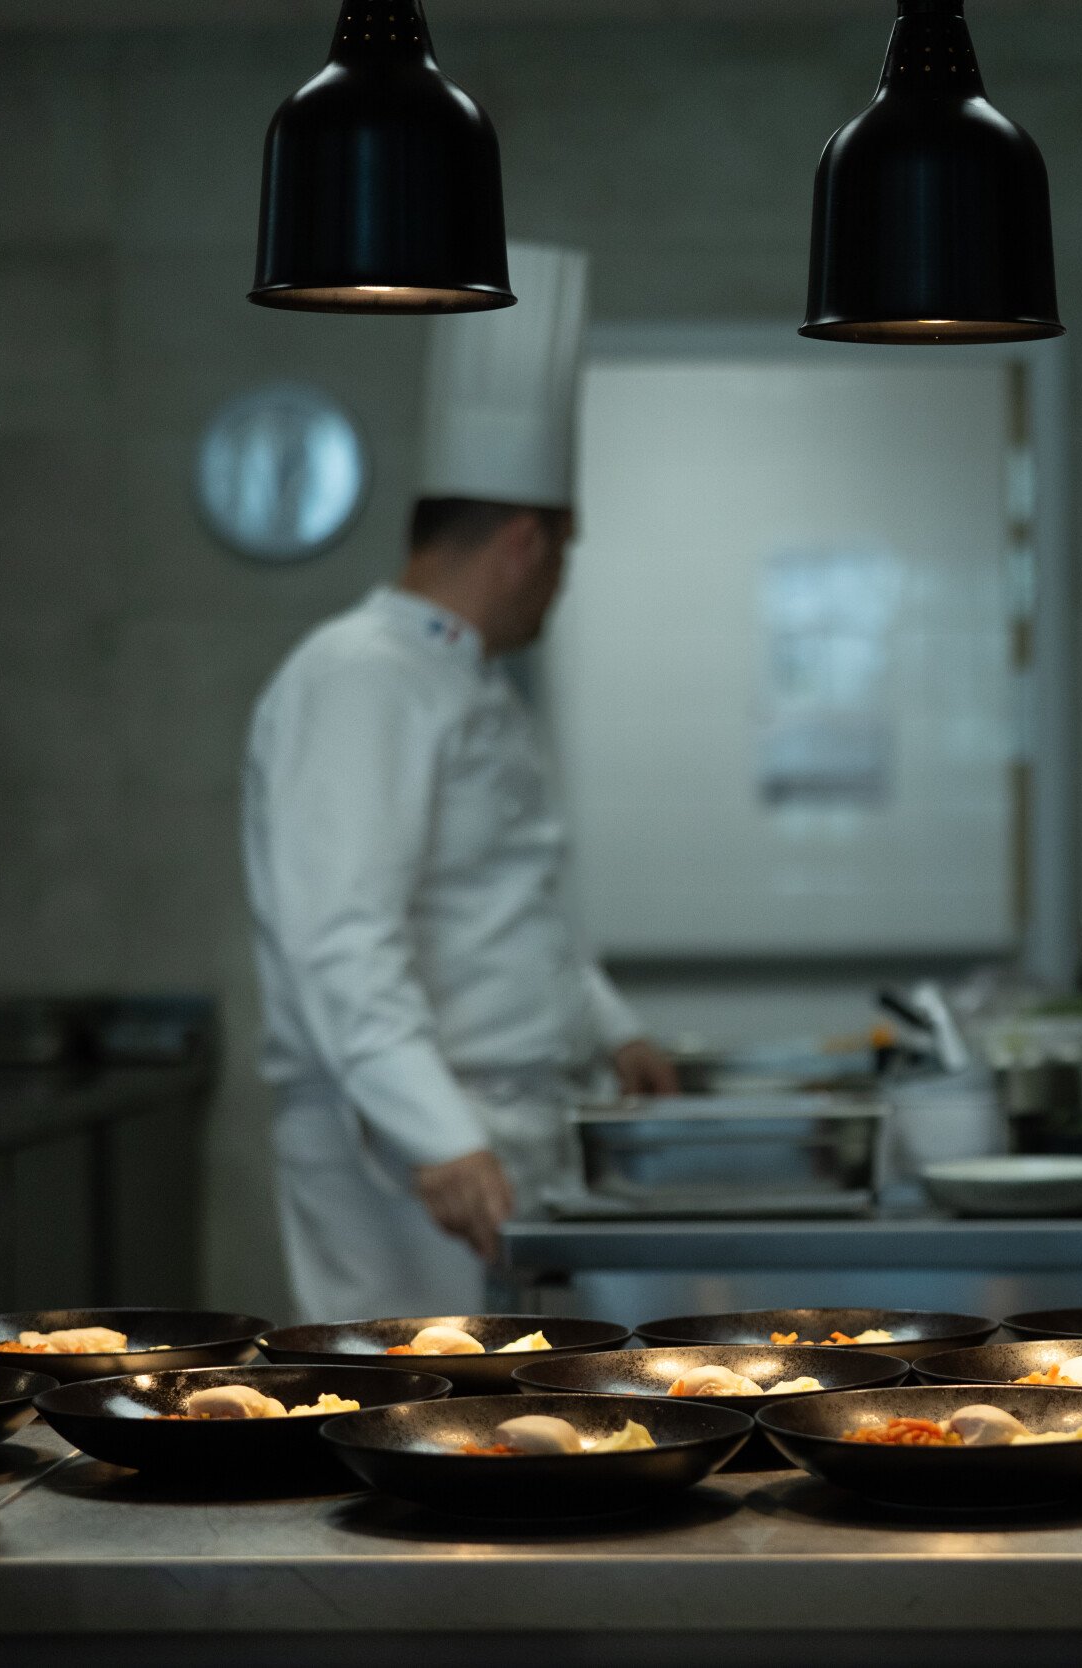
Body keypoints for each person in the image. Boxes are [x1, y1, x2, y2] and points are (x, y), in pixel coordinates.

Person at [243, 244, 674, 1322]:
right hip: (397, 1147)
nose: (558, 592)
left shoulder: (468, 681)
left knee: (506, 1428)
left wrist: (610, 1025)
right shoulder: (359, 678)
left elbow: (507, 905)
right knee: (414, 1425)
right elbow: (339, 934)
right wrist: (436, 1135)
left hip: (495, 1124)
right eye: (564, 560)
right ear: (526, 543)